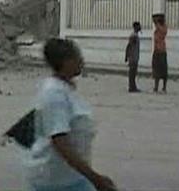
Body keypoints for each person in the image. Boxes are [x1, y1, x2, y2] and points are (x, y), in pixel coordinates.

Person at [25, 38, 117, 191]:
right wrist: (95, 178)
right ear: (65, 62)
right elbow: (60, 142)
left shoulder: (64, 88)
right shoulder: (55, 93)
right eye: (77, 57)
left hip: (70, 176)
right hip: (57, 181)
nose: (82, 61)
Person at [151, 13, 168, 93]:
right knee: (156, 70)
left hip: (161, 51)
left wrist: (157, 22)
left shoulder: (163, 28)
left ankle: (163, 87)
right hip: (157, 51)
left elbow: (162, 31)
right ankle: (156, 87)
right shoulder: (158, 29)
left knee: (163, 71)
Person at [125, 22, 141, 92]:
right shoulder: (134, 36)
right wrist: (126, 56)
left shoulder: (135, 35)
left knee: (133, 73)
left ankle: (133, 86)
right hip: (133, 57)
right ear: (135, 27)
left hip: (135, 57)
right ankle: (131, 87)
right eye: (139, 26)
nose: (140, 27)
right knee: (132, 73)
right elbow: (129, 46)